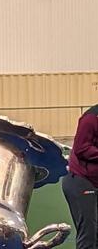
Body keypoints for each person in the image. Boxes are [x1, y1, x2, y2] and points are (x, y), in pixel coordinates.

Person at [63, 104, 98, 249]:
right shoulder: (91, 118)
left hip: (95, 181)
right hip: (81, 180)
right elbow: (81, 148)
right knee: (89, 235)